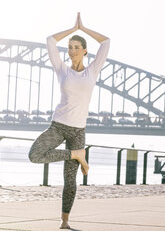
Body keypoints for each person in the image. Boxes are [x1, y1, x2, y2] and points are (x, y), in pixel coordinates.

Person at [28, 12, 110, 229]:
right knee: (35, 155)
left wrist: (83, 29)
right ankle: (77, 155)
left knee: (70, 180)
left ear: (84, 51)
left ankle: (64, 221)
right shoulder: (61, 69)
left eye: (76, 47)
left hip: (78, 131)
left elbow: (106, 42)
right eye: (70, 47)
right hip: (58, 126)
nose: (72, 50)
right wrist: (72, 29)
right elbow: (50, 41)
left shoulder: (93, 71)